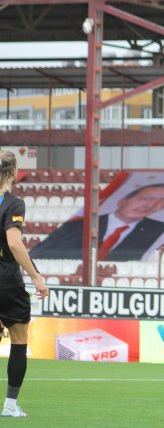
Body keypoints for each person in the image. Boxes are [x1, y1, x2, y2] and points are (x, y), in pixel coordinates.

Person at [0, 151, 48, 418]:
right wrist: (37, 277)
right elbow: (14, 243)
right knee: (18, 342)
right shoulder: (13, 204)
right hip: (6, 281)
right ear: (13, 172)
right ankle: (9, 406)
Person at [31, 182, 164, 261]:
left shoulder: (159, 231)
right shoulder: (76, 226)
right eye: (145, 198)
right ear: (122, 201)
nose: (151, 205)